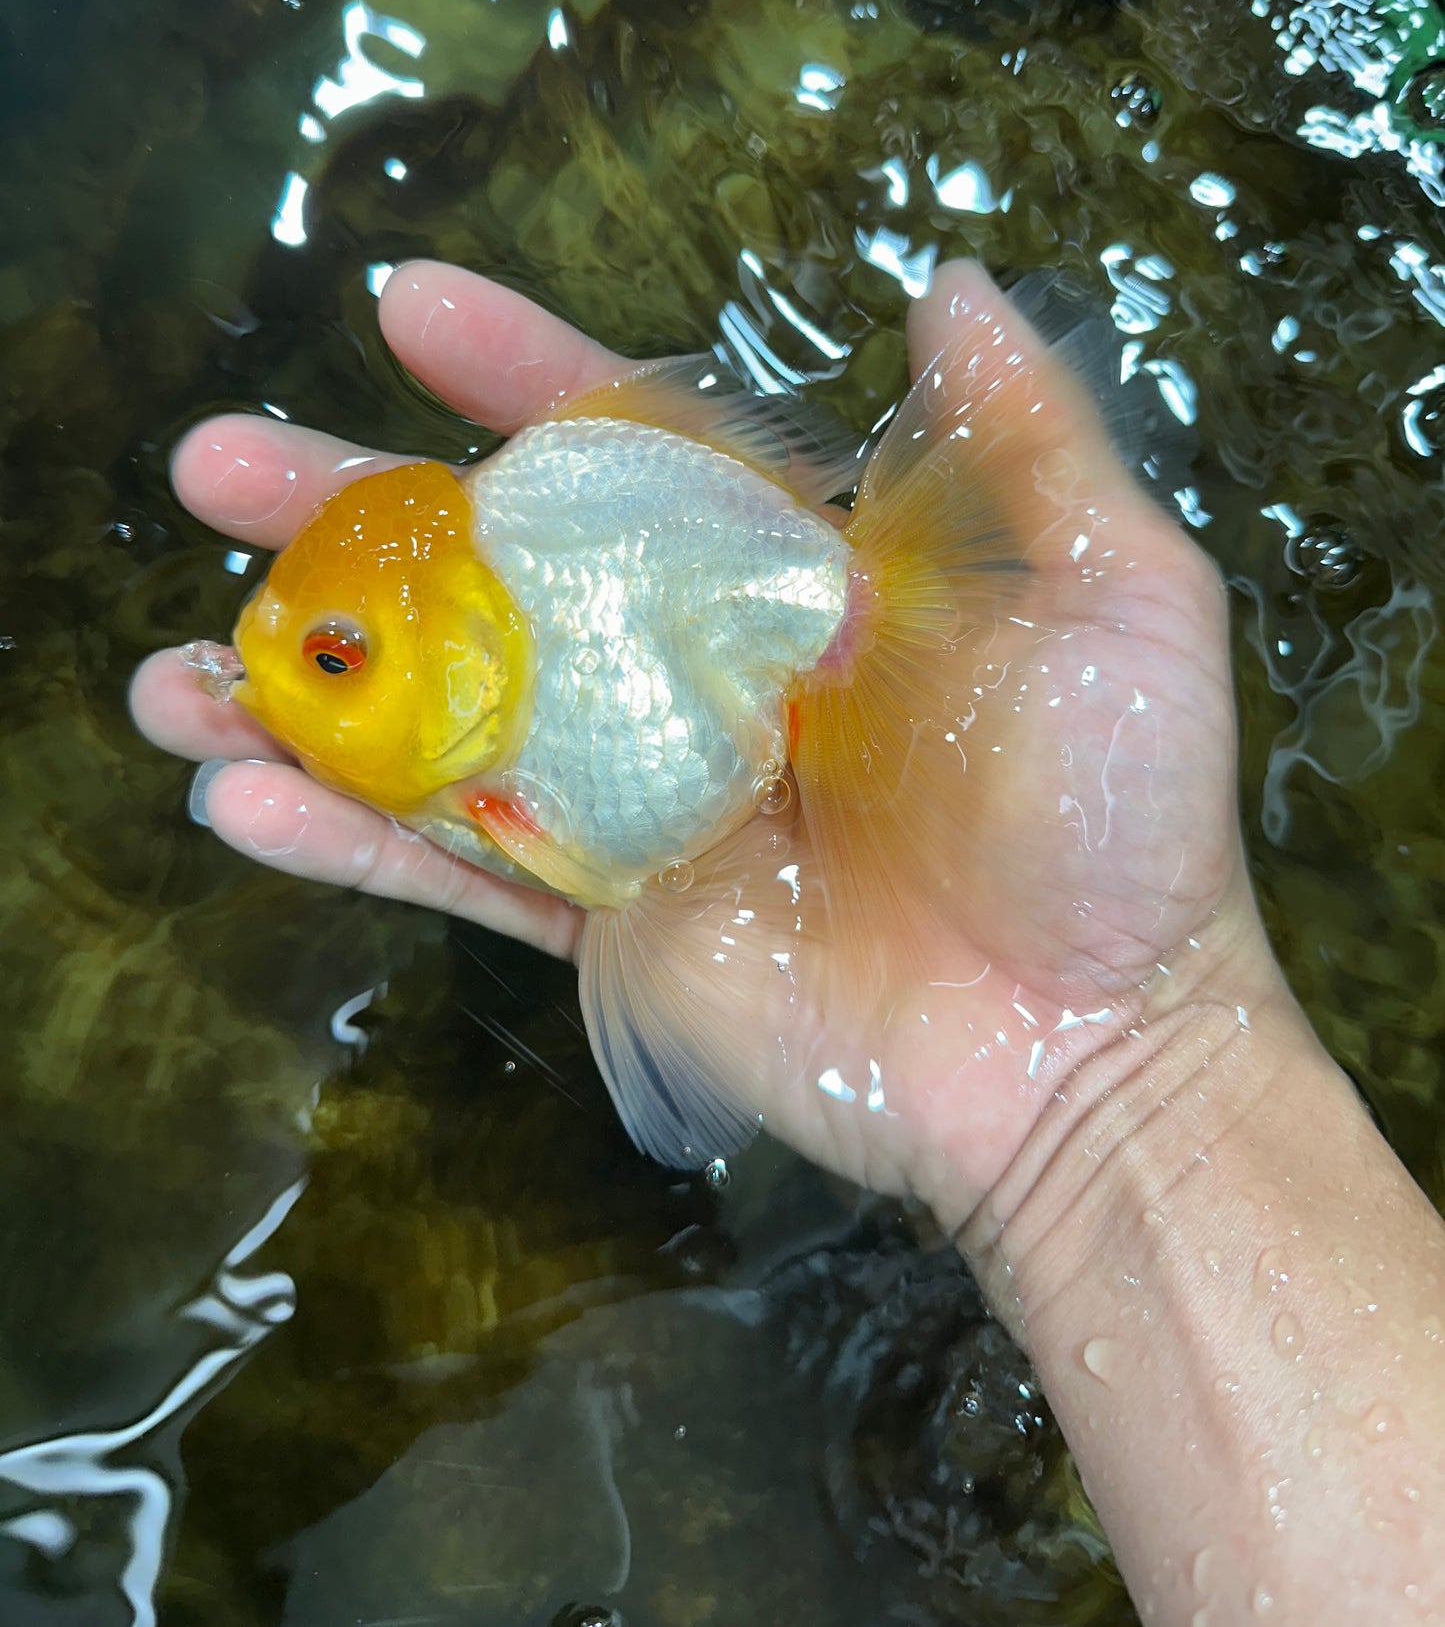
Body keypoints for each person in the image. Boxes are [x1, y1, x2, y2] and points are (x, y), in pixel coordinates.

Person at [131, 259, 1445, 1625]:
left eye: (335, 660)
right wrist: (1123, 1094)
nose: (293, 673)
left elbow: (602, 845)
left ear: (460, 664)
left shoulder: (525, 727)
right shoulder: (491, 656)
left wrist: (1118, 1068)